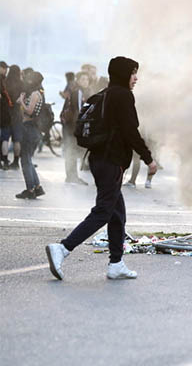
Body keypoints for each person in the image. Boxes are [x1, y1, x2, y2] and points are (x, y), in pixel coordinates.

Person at [46, 56, 158, 280]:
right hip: (111, 161)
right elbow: (131, 132)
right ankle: (63, 248)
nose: (136, 78)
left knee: (117, 213)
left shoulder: (105, 94)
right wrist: (148, 159)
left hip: (99, 159)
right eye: (133, 73)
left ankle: (116, 263)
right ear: (123, 74)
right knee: (104, 211)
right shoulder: (123, 95)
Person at [14, 71, 46, 199]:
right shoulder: (38, 93)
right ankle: (37, 187)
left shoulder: (35, 94)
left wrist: (22, 101)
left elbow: (29, 111)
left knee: (25, 160)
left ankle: (30, 189)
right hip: (32, 129)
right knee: (28, 159)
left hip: (30, 129)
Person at [60, 71, 88, 185]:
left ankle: (70, 176)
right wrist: (79, 127)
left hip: (68, 126)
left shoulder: (74, 90)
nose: (86, 81)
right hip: (72, 127)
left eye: (87, 79)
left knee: (70, 151)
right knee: (71, 151)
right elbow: (78, 110)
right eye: (83, 79)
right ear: (78, 80)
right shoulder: (78, 92)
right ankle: (73, 177)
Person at [3, 65, 23, 170]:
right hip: (17, 114)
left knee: (5, 139)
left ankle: (5, 161)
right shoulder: (21, 84)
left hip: (6, 114)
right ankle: (16, 162)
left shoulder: (5, 83)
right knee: (17, 140)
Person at [0, 61, 11, 169]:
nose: (6, 70)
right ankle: (4, 159)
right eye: (4, 68)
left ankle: (3, 159)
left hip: (4, 114)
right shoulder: (2, 80)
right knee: (4, 138)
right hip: (3, 114)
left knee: (3, 138)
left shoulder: (4, 79)